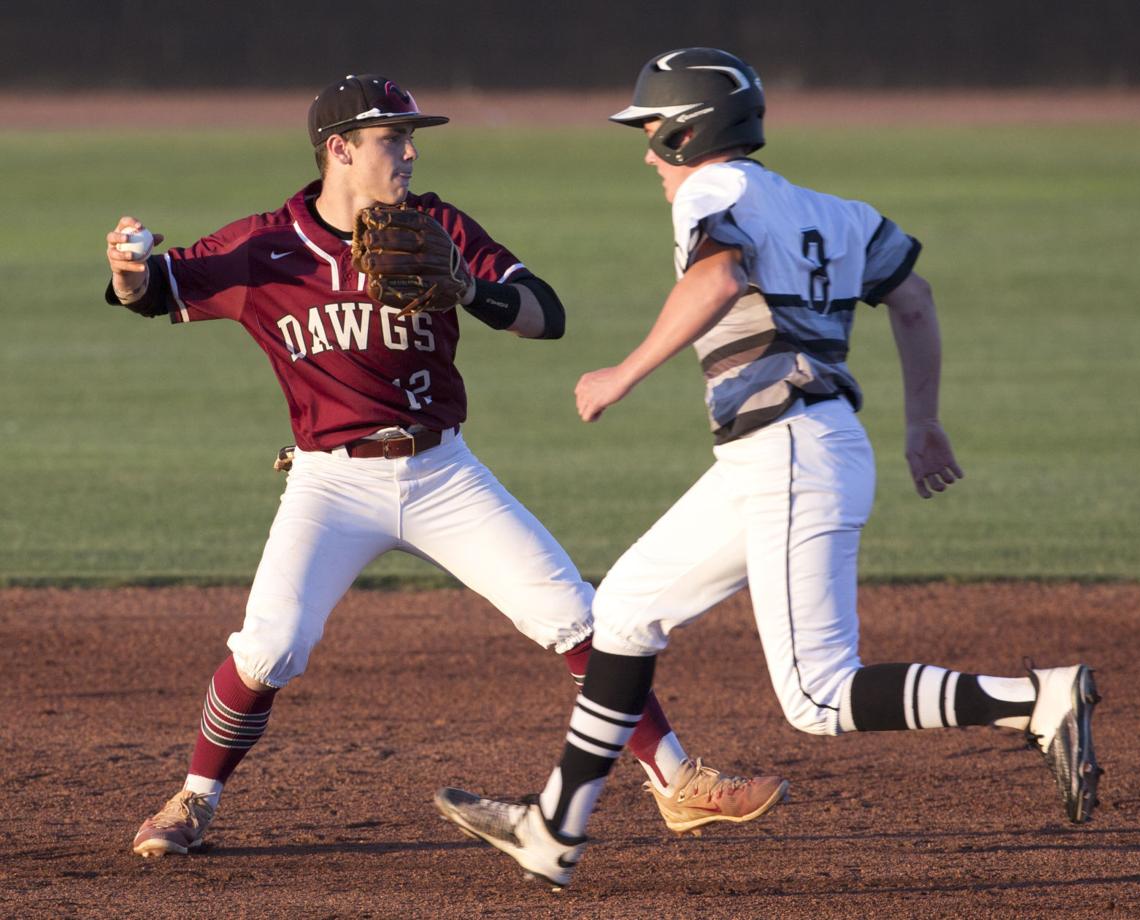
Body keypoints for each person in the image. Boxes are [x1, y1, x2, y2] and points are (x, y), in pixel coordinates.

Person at [433, 48, 1103, 889]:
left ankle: (1037, 700)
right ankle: (552, 830)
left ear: (686, 132)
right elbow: (914, 298)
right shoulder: (836, 211)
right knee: (625, 611)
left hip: (789, 452)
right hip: (782, 453)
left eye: (651, 129)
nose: (647, 154)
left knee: (820, 697)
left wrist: (622, 375)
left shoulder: (709, 192)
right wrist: (923, 423)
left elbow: (718, 277)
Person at [106, 73, 788, 859]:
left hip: (442, 474)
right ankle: (194, 798)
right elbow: (150, 292)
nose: (410, 152)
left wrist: (467, 288)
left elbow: (546, 315)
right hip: (331, 482)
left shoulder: (438, 226)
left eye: (410, 137)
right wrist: (128, 266)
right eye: (392, 138)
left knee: (578, 617)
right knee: (270, 646)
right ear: (339, 150)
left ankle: (678, 780)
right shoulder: (265, 246)